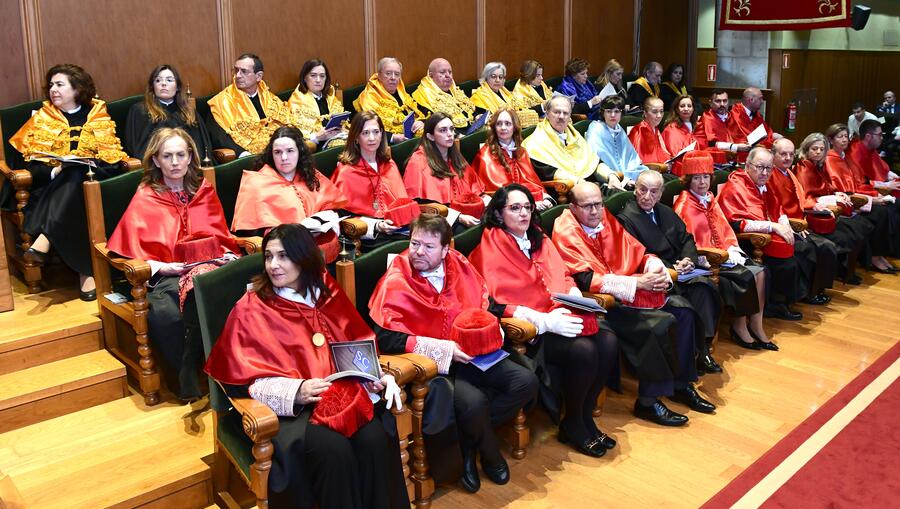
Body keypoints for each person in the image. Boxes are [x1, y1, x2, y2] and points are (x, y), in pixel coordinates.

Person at [204, 224, 409, 508]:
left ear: (304, 258)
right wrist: (297, 391)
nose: (273, 265)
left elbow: (351, 345)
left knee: (374, 438)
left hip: (340, 397)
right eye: (269, 256)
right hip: (293, 412)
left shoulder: (325, 292)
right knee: (333, 451)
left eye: (284, 256)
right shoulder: (252, 306)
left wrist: (374, 377)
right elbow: (240, 382)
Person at [369, 214, 538, 492]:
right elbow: (386, 337)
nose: (418, 252)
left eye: (428, 246)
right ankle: (489, 454)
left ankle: (468, 443)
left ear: (447, 249)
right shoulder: (396, 278)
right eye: (414, 244)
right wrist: (445, 350)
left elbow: (486, 303)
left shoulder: (458, 264)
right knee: (473, 404)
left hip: (475, 354)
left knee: (526, 382)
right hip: (436, 365)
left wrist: (494, 327)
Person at [469, 184, 619, 457]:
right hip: (530, 332)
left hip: (561, 313)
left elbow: (562, 274)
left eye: (527, 207)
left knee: (608, 341)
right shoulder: (489, 247)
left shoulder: (538, 237)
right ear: (499, 214)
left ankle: (584, 417)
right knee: (584, 350)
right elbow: (493, 304)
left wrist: (573, 294)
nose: (523, 213)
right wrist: (543, 320)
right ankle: (573, 421)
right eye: (515, 208)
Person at [553, 181, 714, 425]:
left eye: (599, 204)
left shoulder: (604, 218)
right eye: (588, 206)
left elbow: (636, 252)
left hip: (635, 289)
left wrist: (654, 269)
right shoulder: (565, 230)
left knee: (684, 311)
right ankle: (647, 402)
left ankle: (681, 384)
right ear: (573, 207)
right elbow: (584, 277)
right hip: (606, 304)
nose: (595, 211)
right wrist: (638, 284)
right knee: (657, 325)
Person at [107, 128, 238, 400]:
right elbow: (129, 249)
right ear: (156, 160)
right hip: (168, 275)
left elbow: (222, 236)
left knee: (238, 297)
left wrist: (225, 255)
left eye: (181, 154)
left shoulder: (204, 190)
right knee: (165, 315)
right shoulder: (146, 196)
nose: (175, 162)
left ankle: (229, 374)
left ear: (191, 157)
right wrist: (161, 267)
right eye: (168, 156)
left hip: (210, 268)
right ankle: (185, 377)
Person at [10, 63, 128, 301]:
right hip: (53, 189)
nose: (53, 89)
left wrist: (83, 164)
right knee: (73, 178)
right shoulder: (42, 119)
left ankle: (45, 238)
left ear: (77, 89)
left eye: (60, 84)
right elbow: (27, 164)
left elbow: (112, 159)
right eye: (51, 85)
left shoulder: (98, 115)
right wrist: (55, 171)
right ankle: (87, 273)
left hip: (96, 183)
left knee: (77, 174)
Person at [615, 170, 723, 374]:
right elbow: (640, 255)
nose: (647, 197)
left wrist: (689, 259)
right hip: (659, 276)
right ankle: (691, 354)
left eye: (654, 192)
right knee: (687, 300)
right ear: (635, 190)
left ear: (661, 192)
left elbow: (686, 238)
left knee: (705, 288)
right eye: (642, 190)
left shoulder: (664, 211)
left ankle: (703, 350)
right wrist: (673, 268)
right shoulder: (626, 218)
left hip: (682, 270)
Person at [672, 152, 773, 350]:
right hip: (709, 261)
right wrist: (718, 255)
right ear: (689, 180)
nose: (702, 182)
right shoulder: (684, 204)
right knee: (746, 276)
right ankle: (739, 327)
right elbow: (690, 241)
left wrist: (732, 248)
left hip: (724, 254)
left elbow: (723, 228)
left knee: (762, 272)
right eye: (697, 177)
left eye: (706, 177)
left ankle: (755, 324)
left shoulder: (709, 198)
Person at [718, 147, 811, 321]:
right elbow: (736, 224)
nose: (765, 172)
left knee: (803, 248)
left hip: (766, 235)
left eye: (769, 168)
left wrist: (783, 225)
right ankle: (775, 305)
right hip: (747, 241)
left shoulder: (763, 185)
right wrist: (772, 227)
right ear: (747, 166)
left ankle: (786, 301)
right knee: (786, 263)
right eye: (760, 167)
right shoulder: (736, 186)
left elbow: (778, 208)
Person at [231, 127, 347, 261]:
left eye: (290, 151)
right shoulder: (256, 182)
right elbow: (250, 230)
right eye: (278, 152)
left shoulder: (311, 175)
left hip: (320, 243)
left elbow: (334, 209)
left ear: (300, 152)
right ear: (271, 154)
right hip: (282, 251)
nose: (284, 157)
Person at [788, 136, 869, 285]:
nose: (818, 152)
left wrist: (836, 193)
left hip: (824, 209)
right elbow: (806, 196)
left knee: (858, 228)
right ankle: (841, 273)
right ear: (806, 150)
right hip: (811, 215)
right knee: (845, 236)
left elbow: (826, 187)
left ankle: (845, 272)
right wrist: (828, 201)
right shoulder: (804, 167)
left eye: (821, 149)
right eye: (814, 149)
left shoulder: (819, 165)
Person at [823, 123, 897, 273]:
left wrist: (876, 193)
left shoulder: (846, 157)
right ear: (831, 140)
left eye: (846, 136)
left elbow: (860, 180)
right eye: (840, 137)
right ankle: (874, 257)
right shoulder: (830, 159)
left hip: (858, 193)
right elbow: (842, 188)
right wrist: (872, 199)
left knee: (888, 208)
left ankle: (880, 254)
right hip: (848, 200)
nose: (844, 140)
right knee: (881, 213)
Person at [331, 112, 409, 243]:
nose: (372, 138)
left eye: (376, 132)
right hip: (371, 235)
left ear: (382, 134)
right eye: (365, 133)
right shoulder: (345, 172)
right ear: (356, 137)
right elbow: (343, 218)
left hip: (400, 229)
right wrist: (377, 226)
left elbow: (402, 202)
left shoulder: (389, 165)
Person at [403, 113, 486, 230]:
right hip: (437, 220)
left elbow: (474, 188)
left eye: (451, 129)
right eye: (443, 130)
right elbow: (421, 205)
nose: (450, 134)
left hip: (464, 212)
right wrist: (459, 217)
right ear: (430, 136)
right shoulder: (418, 161)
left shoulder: (454, 154)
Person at [208, 53, 293, 157]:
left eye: (244, 71)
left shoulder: (270, 98)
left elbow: (288, 122)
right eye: (236, 70)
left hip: (280, 153)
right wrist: (242, 153)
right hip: (248, 157)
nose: (237, 76)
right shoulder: (221, 103)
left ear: (258, 76)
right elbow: (219, 137)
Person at [125, 64, 212, 162]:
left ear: (178, 86)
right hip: (156, 169)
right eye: (158, 80)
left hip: (190, 168)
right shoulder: (140, 111)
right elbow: (137, 148)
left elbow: (203, 147)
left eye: (169, 80)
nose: (163, 84)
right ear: (152, 86)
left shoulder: (189, 112)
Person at [471, 108, 554, 209]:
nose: (503, 127)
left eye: (508, 123)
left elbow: (532, 181)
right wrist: (528, 204)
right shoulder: (485, 154)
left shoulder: (521, 151)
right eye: (499, 124)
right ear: (494, 128)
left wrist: (545, 198)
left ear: (514, 127)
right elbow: (493, 191)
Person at [521, 95, 602, 183]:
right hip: (565, 188)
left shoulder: (574, 135)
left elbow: (592, 161)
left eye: (566, 113)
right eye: (556, 112)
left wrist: (610, 175)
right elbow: (549, 174)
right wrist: (580, 182)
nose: (561, 117)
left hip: (589, 182)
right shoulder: (535, 143)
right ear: (547, 114)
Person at [353, 57, 425, 143]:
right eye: (388, 73)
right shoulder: (369, 97)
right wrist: (393, 137)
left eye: (397, 74)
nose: (393, 78)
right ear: (379, 75)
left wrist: (421, 122)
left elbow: (419, 114)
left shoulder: (403, 93)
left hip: (410, 135)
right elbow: (369, 129)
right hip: (384, 142)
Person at [585, 95, 647, 191]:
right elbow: (595, 160)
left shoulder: (619, 129)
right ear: (602, 112)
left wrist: (629, 178)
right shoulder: (595, 129)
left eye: (617, 111)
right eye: (609, 111)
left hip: (627, 177)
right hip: (606, 178)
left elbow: (630, 158)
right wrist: (622, 178)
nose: (613, 115)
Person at [287, 59, 347, 150]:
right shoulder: (297, 101)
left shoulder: (330, 97)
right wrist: (317, 136)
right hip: (315, 145)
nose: (318, 80)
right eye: (313, 76)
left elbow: (343, 124)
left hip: (338, 138)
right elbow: (299, 137)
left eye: (322, 76)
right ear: (305, 78)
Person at [411, 58, 477, 130]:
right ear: (431, 76)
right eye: (442, 72)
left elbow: (467, 110)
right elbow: (432, 123)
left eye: (450, 72)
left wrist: (477, 116)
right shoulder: (423, 95)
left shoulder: (455, 89)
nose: (448, 75)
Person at [469, 62, 539, 128]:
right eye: (493, 77)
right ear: (486, 78)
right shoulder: (478, 96)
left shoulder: (504, 91)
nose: (497, 80)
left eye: (500, 77)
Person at [727, 87, 782, 159]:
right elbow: (738, 138)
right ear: (751, 100)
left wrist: (780, 138)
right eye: (760, 99)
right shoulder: (734, 114)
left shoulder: (757, 115)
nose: (762, 101)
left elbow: (767, 133)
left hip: (758, 152)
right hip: (741, 154)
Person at [694, 89, 745, 161]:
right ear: (710, 103)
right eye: (718, 101)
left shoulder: (733, 117)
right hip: (716, 159)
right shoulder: (707, 118)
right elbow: (711, 143)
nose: (722, 104)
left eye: (725, 101)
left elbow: (741, 136)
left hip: (737, 157)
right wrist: (735, 147)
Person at [628, 97, 673, 172]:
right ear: (645, 113)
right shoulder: (639, 131)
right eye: (654, 112)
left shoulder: (656, 129)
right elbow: (641, 163)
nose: (659, 115)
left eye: (661, 111)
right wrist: (663, 166)